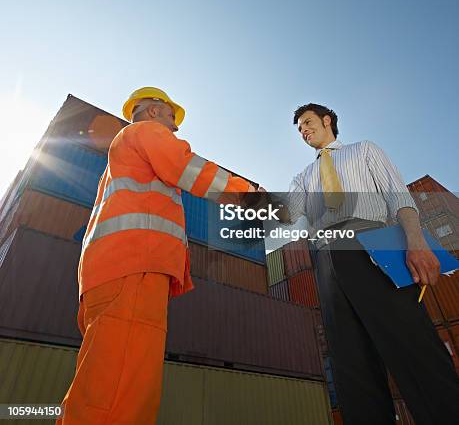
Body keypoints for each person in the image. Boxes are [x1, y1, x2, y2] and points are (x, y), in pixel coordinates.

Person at [58, 87, 257, 425]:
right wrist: (251, 196)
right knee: (122, 393)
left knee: (100, 385)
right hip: (134, 269)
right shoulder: (144, 132)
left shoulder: (119, 162)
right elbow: (185, 167)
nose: (176, 128)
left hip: (109, 274)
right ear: (152, 112)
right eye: (170, 117)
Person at [288, 103, 459, 425]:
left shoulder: (363, 150)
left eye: (307, 123)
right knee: (351, 366)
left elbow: (399, 198)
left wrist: (417, 243)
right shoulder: (302, 177)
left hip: (372, 245)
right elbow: (288, 212)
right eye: (298, 129)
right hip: (325, 257)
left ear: (327, 120)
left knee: (413, 348)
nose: (303, 131)